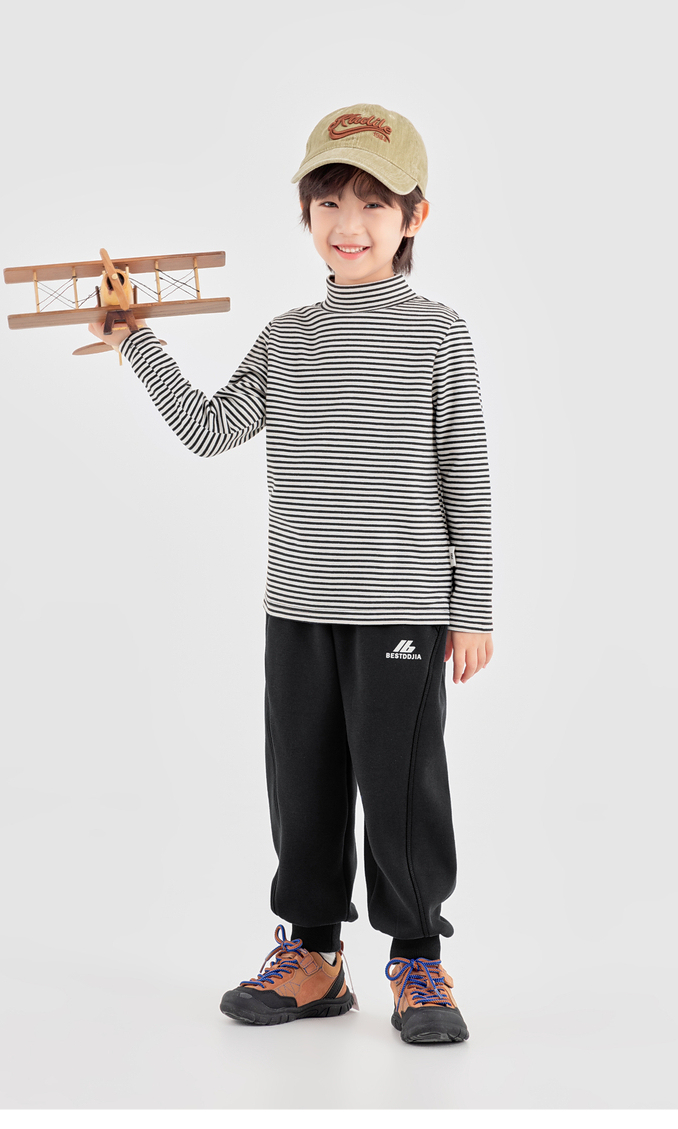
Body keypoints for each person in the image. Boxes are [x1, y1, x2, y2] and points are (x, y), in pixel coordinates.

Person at [88, 102, 494, 1046]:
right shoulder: (286, 338)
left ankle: (418, 960)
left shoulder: (439, 334)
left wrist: (472, 609)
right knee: (303, 783)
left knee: (400, 790)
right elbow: (210, 429)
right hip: (299, 607)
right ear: (305, 214)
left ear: (414, 217)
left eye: (373, 204)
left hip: (402, 610)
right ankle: (314, 957)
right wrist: (135, 340)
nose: (349, 224)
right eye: (329, 203)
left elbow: (465, 475)